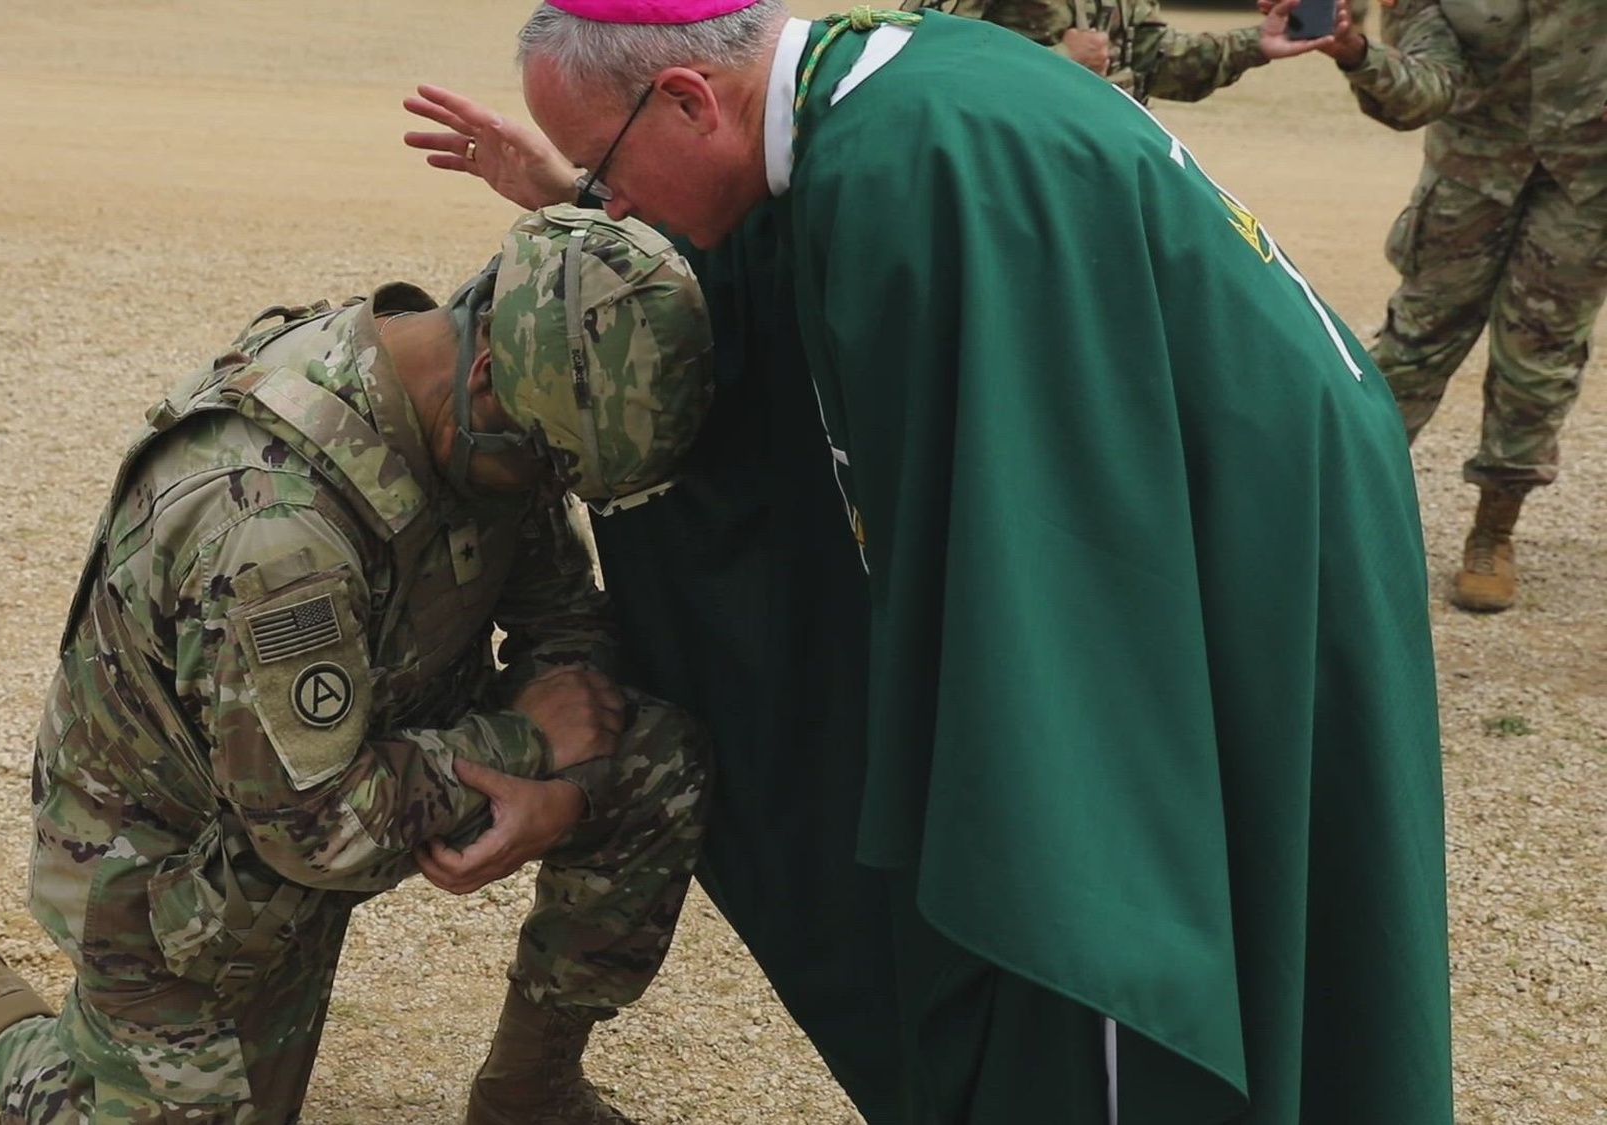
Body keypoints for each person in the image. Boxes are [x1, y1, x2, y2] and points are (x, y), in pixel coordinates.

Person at [409, 0, 1453, 1120]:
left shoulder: (904, 175)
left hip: (1228, 536)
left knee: (1101, 875)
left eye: (603, 166)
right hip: (1257, 494)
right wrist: (571, 197)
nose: (611, 204)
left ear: (686, 98)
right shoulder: (882, 86)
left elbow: (1043, 554)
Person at [0, 207, 717, 1125]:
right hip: (185, 878)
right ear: (490, 374)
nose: (551, 492)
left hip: (346, 769)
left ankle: (528, 1093)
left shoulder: (485, 408)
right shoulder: (276, 525)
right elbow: (317, 828)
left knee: (656, 759)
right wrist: (528, 742)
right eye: (549, 467)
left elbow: (565, 619)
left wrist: (569, 788)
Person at [1273, 0, 1607, 612]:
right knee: (1412, 348)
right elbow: (1426, 91)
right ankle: (1332, 519)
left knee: (1541, 362)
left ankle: (1493, 533)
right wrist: (1355, 54)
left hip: (1585, 186)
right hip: (1470, 176)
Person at [896, 0, 1336, 105]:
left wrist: (1255, 43)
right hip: (1008, 181)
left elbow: (1153, 61)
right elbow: (916, 60)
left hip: (1099, 174)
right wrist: (1058, 62)